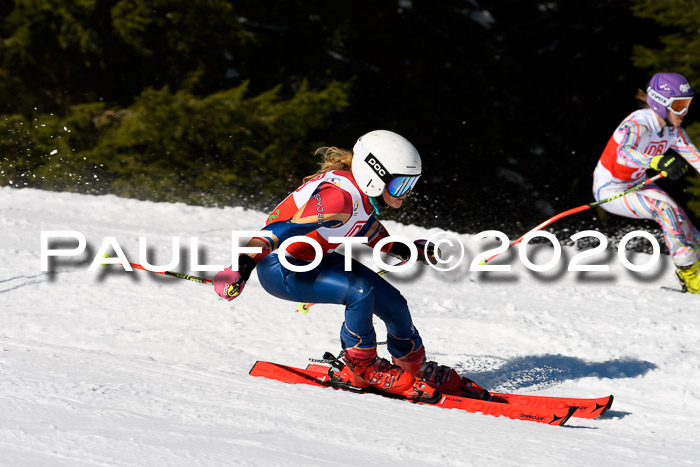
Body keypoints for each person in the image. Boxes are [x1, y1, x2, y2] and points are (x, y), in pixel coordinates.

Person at [213, 130, 488, 401]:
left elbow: (369, 231)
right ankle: (361, 366)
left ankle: (413, 368)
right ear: (374, 176)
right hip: (280, 268)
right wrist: (241, 267)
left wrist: (409, 250)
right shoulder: (338, 198)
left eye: (410, 185)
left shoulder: (362, 197)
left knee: (394, 303)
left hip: (318, 259)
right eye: (399, 185)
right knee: (359, 292)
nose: (404, 195)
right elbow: (274, 232)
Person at [593, 72, 700, 294]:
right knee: (664, 210)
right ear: (660, 103)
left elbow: (695, 158)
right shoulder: (638, 123)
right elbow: (623, 154)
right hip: (610, 189)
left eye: (687, 105)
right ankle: (690, 275)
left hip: (638, 183)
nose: (684, 112)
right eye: (679, 105)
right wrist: (656, 160)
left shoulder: (672, 130)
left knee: (686, 226)